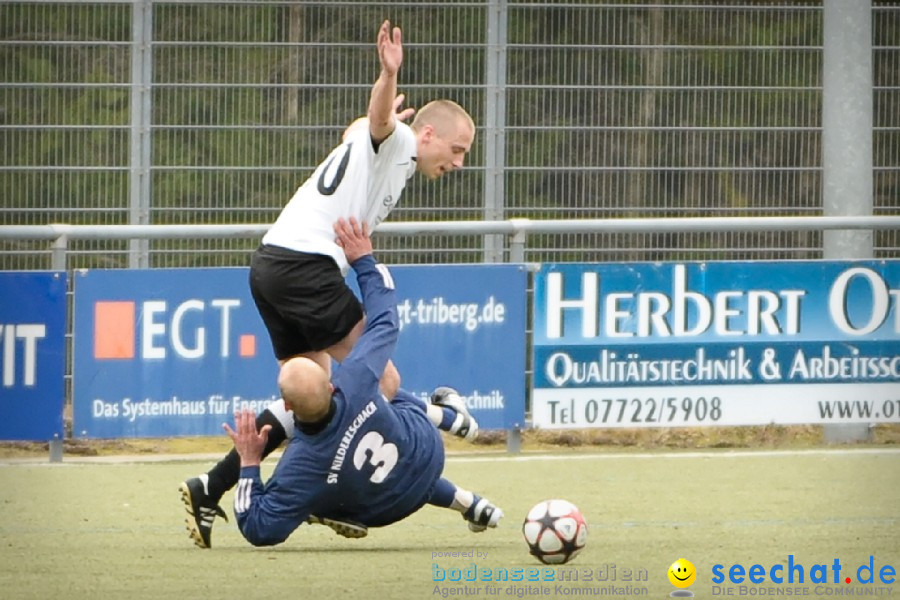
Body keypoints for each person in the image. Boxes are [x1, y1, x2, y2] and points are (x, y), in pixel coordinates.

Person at [180, 19, 479, 548]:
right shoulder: (403, 140)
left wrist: (377, 122)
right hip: (306, 267)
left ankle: (212, 485)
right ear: (428, 134)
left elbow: (358, 132)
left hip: (272, 265)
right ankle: (441, 415)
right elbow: (380, 118)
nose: (458, 163)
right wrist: (387, 77)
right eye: (456, 151)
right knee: (382, 380)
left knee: (310, 403)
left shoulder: (386, 150)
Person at [226, 218, 502, 546]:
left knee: (320, 487)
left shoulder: (300, 464)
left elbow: (258, 529)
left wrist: (249, 463)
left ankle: (464, 497)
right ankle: (450, 420)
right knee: (385, 390)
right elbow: (385, 315)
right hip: (427, 452)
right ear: (331, 385)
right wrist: (363, 260)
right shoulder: (354, 378)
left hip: (382, 509)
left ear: (285, 405)